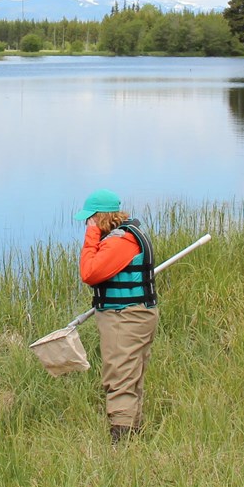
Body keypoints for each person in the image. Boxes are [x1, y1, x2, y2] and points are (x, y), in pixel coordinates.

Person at [75, 189, 159, 443]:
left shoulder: (120, 241)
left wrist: (91, 236)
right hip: (130, 316)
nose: (86, 225)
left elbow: (89, 273)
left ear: (100, 217)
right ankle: (132, 431)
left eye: (89, 220)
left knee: (120, 376)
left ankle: (121, 440)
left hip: (126, 318)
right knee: (130, 375)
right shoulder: (123, 236)